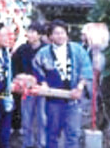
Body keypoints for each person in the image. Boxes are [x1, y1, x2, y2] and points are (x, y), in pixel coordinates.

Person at [32, 19, 93, 148]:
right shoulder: (43, 53)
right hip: (53, 99)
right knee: (52, 133)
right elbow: (37, 68)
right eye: (56, 33)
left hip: (73, 98)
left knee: (73, 133)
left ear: (67, 34)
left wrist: (80, 87)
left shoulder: (78, 50)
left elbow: (86, 69)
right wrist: (43, 82)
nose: (60, 36)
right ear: (50, 36)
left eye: (62, 32)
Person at [12, 22, 46, 148]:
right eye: (29, 31)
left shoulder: (46, 49)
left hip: (42, 88)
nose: (30, 34)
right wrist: (19, 76)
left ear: (40, 34)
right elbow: (13, 66)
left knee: (43, 118)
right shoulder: (22, 49)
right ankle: (27, 143)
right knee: (26, 117)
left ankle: (41, 143)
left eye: (33, 32)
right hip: (25, 88)